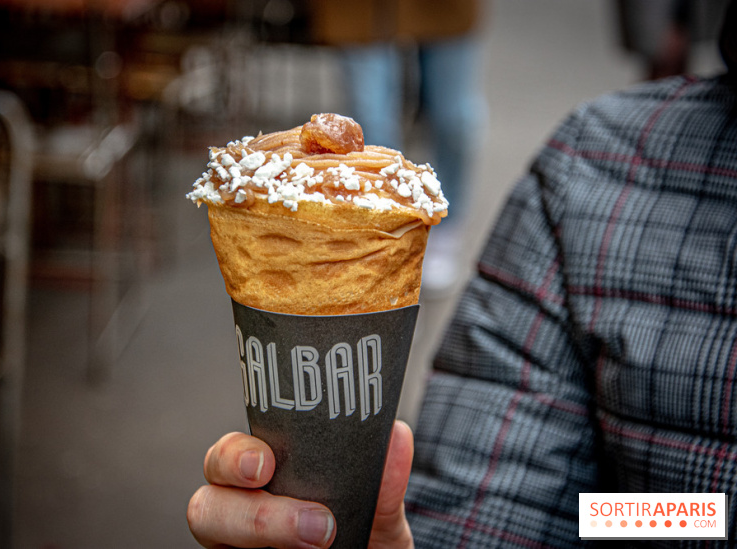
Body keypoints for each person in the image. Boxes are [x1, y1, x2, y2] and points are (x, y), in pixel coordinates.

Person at [187, 2, 737, 546]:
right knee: (377, 108)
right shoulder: (595, 173)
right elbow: (522, 508)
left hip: (442, 15)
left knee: (453, 113)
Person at [309, 0, 488, 294]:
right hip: (360, 11)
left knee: (455, 119)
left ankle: (445, 221)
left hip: (447, 11)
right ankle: (384, 233)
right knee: (370, 124)